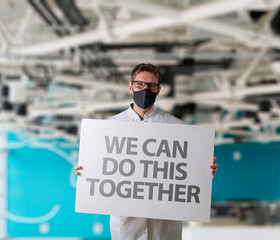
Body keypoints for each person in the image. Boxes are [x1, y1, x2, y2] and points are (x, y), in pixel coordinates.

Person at [74, 63, 218, 240]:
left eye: (151, 86)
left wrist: (203, 171)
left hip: (164, 228)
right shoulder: (109, 128)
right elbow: (101, 169)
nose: (145, 89)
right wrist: (86, 171)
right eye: (140, 84)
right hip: (127, 227)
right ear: (131, 86)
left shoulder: (178, 129)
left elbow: (189, 174)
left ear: (158, 90)